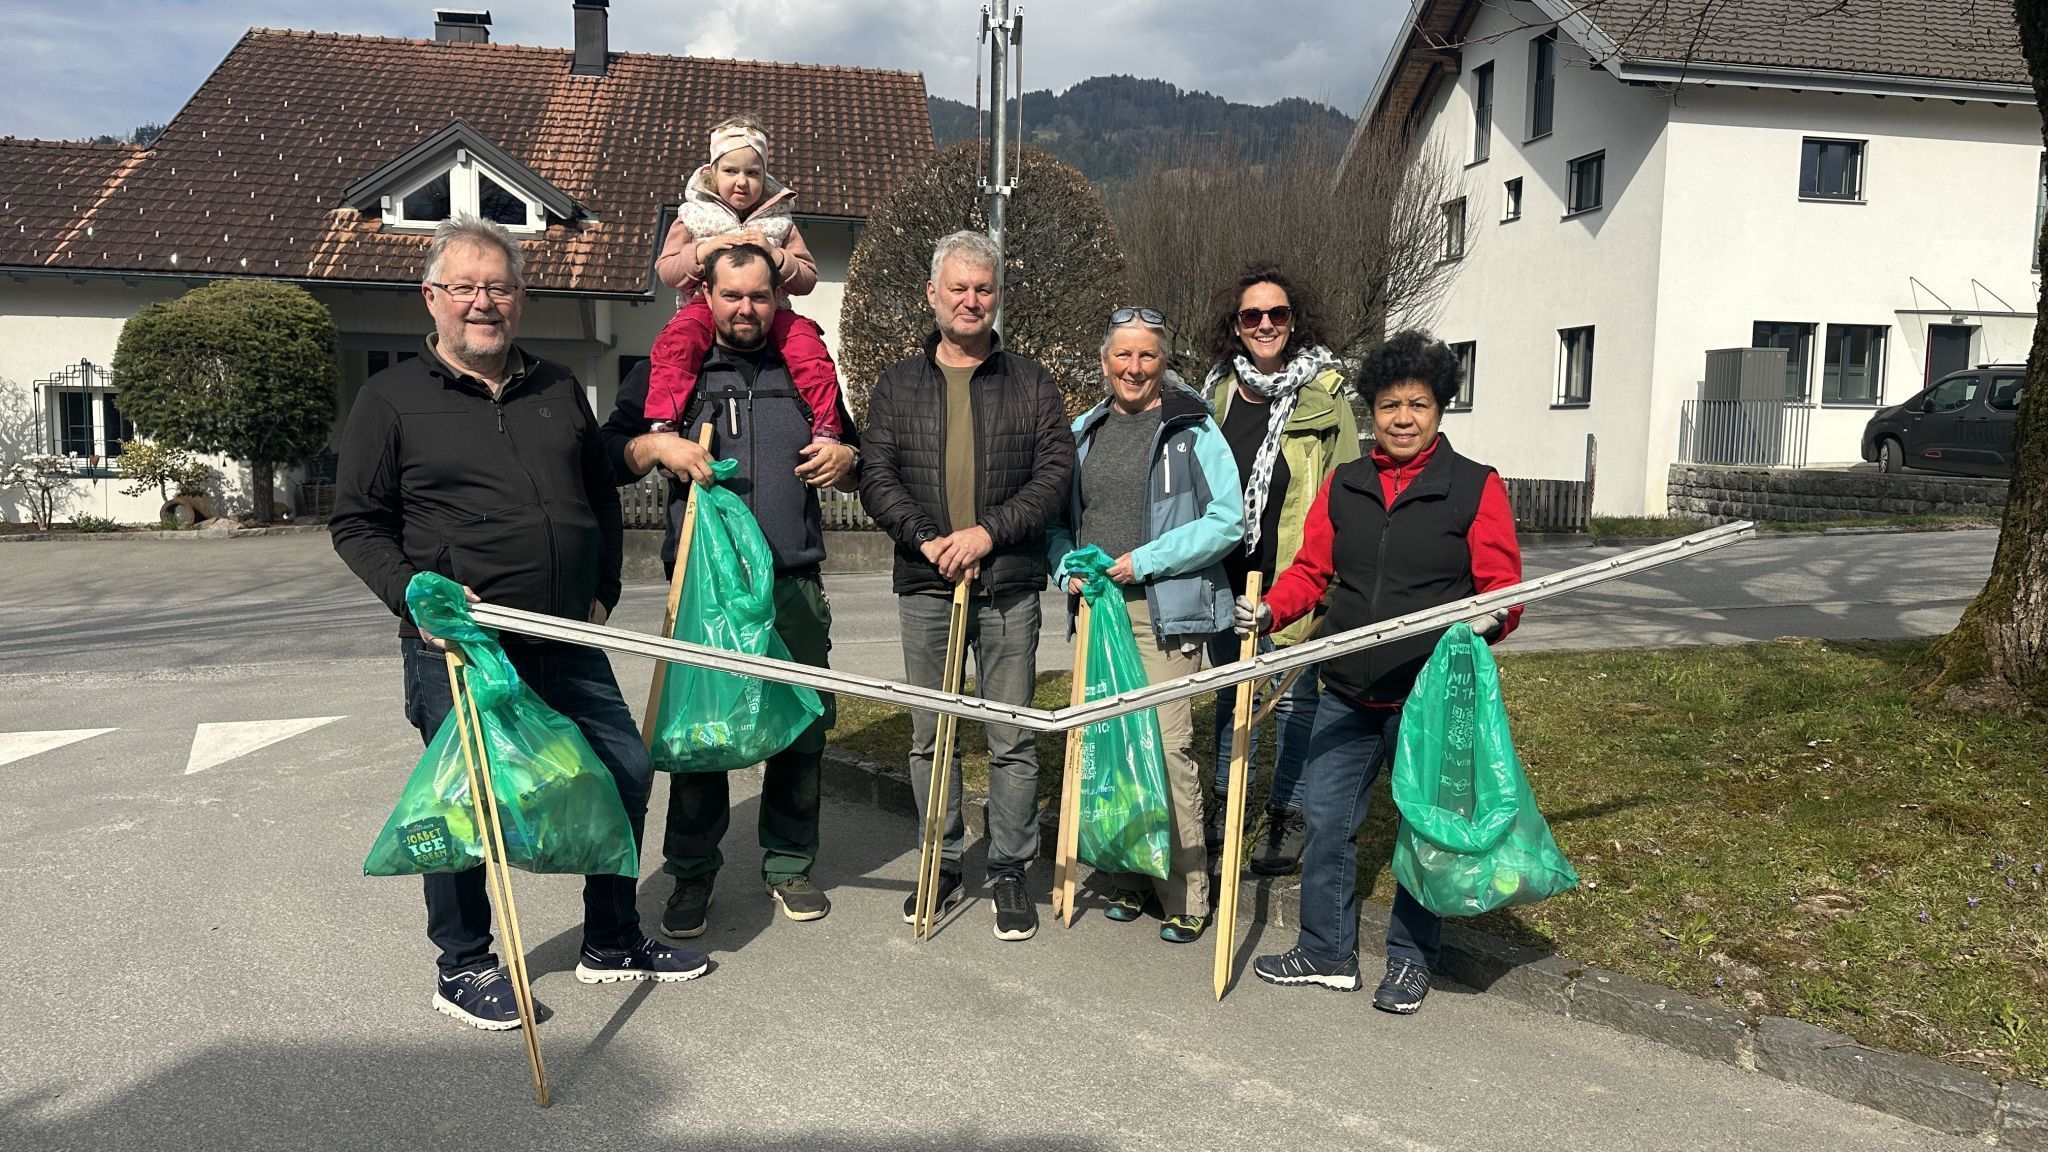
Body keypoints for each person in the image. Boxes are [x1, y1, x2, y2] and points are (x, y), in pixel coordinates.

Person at [331, 216, 708, 1031]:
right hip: (461, 646)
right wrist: (415, 598)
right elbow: (357, 523)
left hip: (568, 636)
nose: (482, 303)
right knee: (465, 807)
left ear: (521, 298)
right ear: (431, 299)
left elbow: (598, 493)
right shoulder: (389, 399)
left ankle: (611, 939)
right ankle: (463, 965)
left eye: (498, 287)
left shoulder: (557, 385)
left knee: (623, 772)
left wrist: (603, 586)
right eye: (464, 287)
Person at [1243, 328, 1522, 1014]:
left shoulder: (1475, 487)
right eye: (1391, 405)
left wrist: (1485, 622)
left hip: (1428, 696)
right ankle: (1327, 950)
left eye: (1418, 405)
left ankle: (1409, 959)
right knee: (1330, 816)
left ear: (1439, 410)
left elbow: (1503, 589)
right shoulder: (1347, 484)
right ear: (1371, 411)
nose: (1403, 418)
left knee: (1424, 829)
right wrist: (1270, 614)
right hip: (1344, 685)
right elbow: (1311, 572)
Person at [603, 243, 858, 938]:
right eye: (731, 296)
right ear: (705, 295)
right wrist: (658, 448)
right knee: (702, 733)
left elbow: (856, 459)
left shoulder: (803, 367)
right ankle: (692, 874)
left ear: (777, 297)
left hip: (792, 584)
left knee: (802, 730)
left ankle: (789, 864)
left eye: (759, 296)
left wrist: (847, 457)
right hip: (705, 589)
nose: (746, 309)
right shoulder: (674, 367)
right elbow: (608, 455)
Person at [858, 231, 1076, 942]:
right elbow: (876, 475)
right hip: (925, 586)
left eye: (983, 288)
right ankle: (941, 859)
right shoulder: (896, 384)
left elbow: (1053, 475)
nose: (971, 300)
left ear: (997, 296)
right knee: (931, 735)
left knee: (1010, 735)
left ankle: (1010, 870)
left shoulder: (1032, 381)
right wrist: (927, 539)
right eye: (958, 288)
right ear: (933, 295)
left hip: (1008, 585)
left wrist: (987, 534)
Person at [1046, 306, 1244, 944]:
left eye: (1147, 356)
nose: (1133, 367)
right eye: (1122, 356)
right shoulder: (1083, 431)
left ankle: (1186, 893)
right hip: (1097, 609)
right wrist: (1064, 570)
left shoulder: (1192, 429)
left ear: (1164, 363)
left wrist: (1143, 562)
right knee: (1110, 750)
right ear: (1104, 362)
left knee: (1164, 747)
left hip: (1165, 611)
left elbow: (1227, 521)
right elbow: (1057, 524)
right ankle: (1130, 875)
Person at [1198, 262, 1359, 876]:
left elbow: (1343, 488)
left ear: (1294, 322)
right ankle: (1221, 802)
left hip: (1295, 569)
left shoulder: (1326, 397)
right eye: (1252, 316)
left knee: (1293, 700)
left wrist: (1334, 574)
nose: (1265, 324)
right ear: (1235, 326)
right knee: (1228, 694)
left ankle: (1286, 811)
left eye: (1277, 314)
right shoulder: (1216, 393)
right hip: (1224, 573)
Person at [646, 115, 842, 442]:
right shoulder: (693, 215)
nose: (742, 181)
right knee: (676, 344)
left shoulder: (780, 222)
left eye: (753, 173)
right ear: (711, 173)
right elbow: (667, 271)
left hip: (771, 311)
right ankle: (665, 422)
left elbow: (807, 277)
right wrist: (701, 251)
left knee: (808, 346)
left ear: (765, 178)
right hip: (701, 307)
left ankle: (825, 426)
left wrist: (776, 254)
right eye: (731, 171)